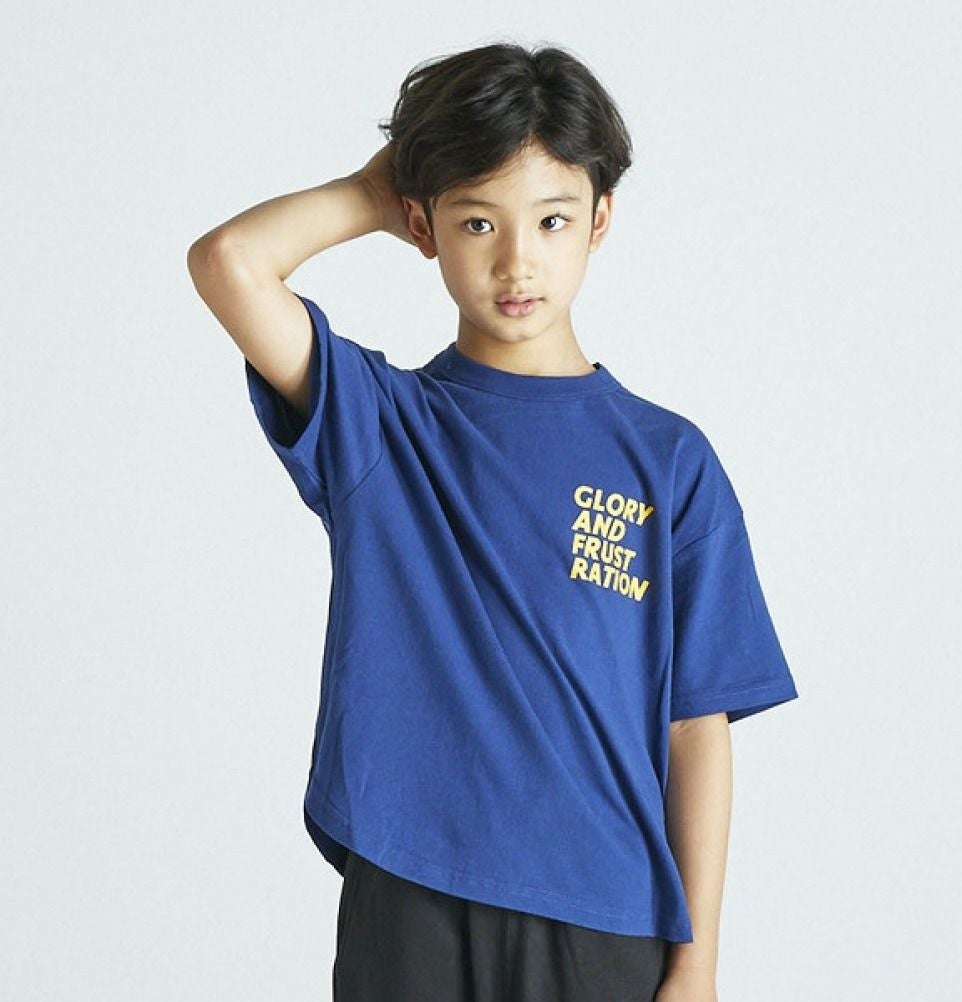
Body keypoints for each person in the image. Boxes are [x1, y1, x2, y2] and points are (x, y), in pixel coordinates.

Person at [187, 40, 798, 1002]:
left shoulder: (669, 462)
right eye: (477, 221)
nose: (518, 260)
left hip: (604, 911)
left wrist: (698, 962)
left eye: (552, 220)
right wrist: (375, 190)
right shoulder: (381, 426)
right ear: (422, 225)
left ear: (600, 220)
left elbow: (697, 727)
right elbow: (230, 262)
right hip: (411, 891)